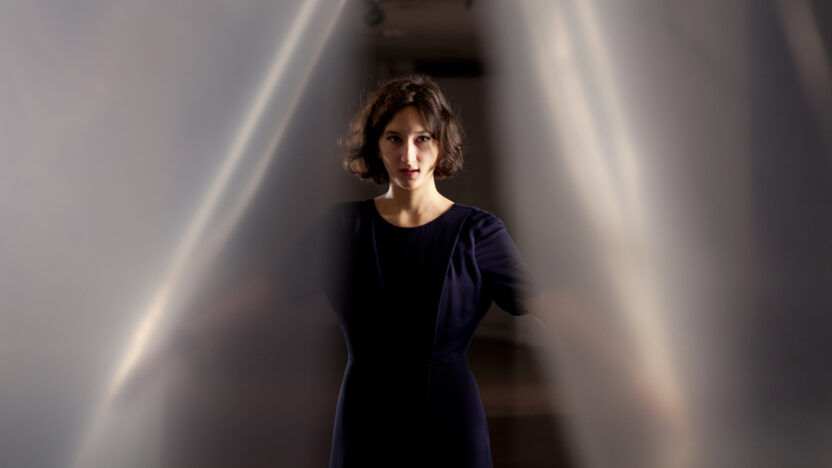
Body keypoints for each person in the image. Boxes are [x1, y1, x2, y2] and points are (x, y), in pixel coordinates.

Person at [322, 74, 536, 468]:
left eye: (423, 138)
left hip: (450, 416)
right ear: (375, 144)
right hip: (364, 417)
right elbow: (266, 289)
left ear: (441, 143)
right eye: (394, 138)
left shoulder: (479, 231)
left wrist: (632, 358)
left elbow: (546, 303)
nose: (408, 155)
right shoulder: (342, 227)